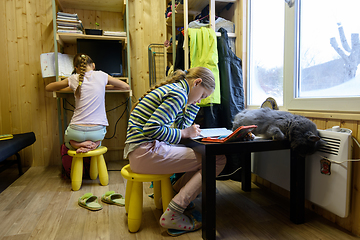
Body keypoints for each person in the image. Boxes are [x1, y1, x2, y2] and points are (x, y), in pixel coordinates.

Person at [124, 67, 226, 235]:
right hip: (145, 153)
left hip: (140, 152)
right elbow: (152, 129)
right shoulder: (178, 94)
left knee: (207, 157)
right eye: (202, 96)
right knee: (217, 159)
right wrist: (185, 133)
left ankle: (173, 194)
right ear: (197, 83)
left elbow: (179, 126)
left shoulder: (177, 91)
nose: (200, 100)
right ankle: (174, 212)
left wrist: (193, 106)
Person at [46, 53, 130, 153]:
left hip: (75, 131)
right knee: (99, 140)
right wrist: (105, 87)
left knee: (68, 143)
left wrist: (71, 87)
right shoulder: (102, 75)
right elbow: (126, 86)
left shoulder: (73, 78)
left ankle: (77, 145)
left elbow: (48, 87)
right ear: (93, 65)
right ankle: (94, 144)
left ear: (76, 68)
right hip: (96, 132)